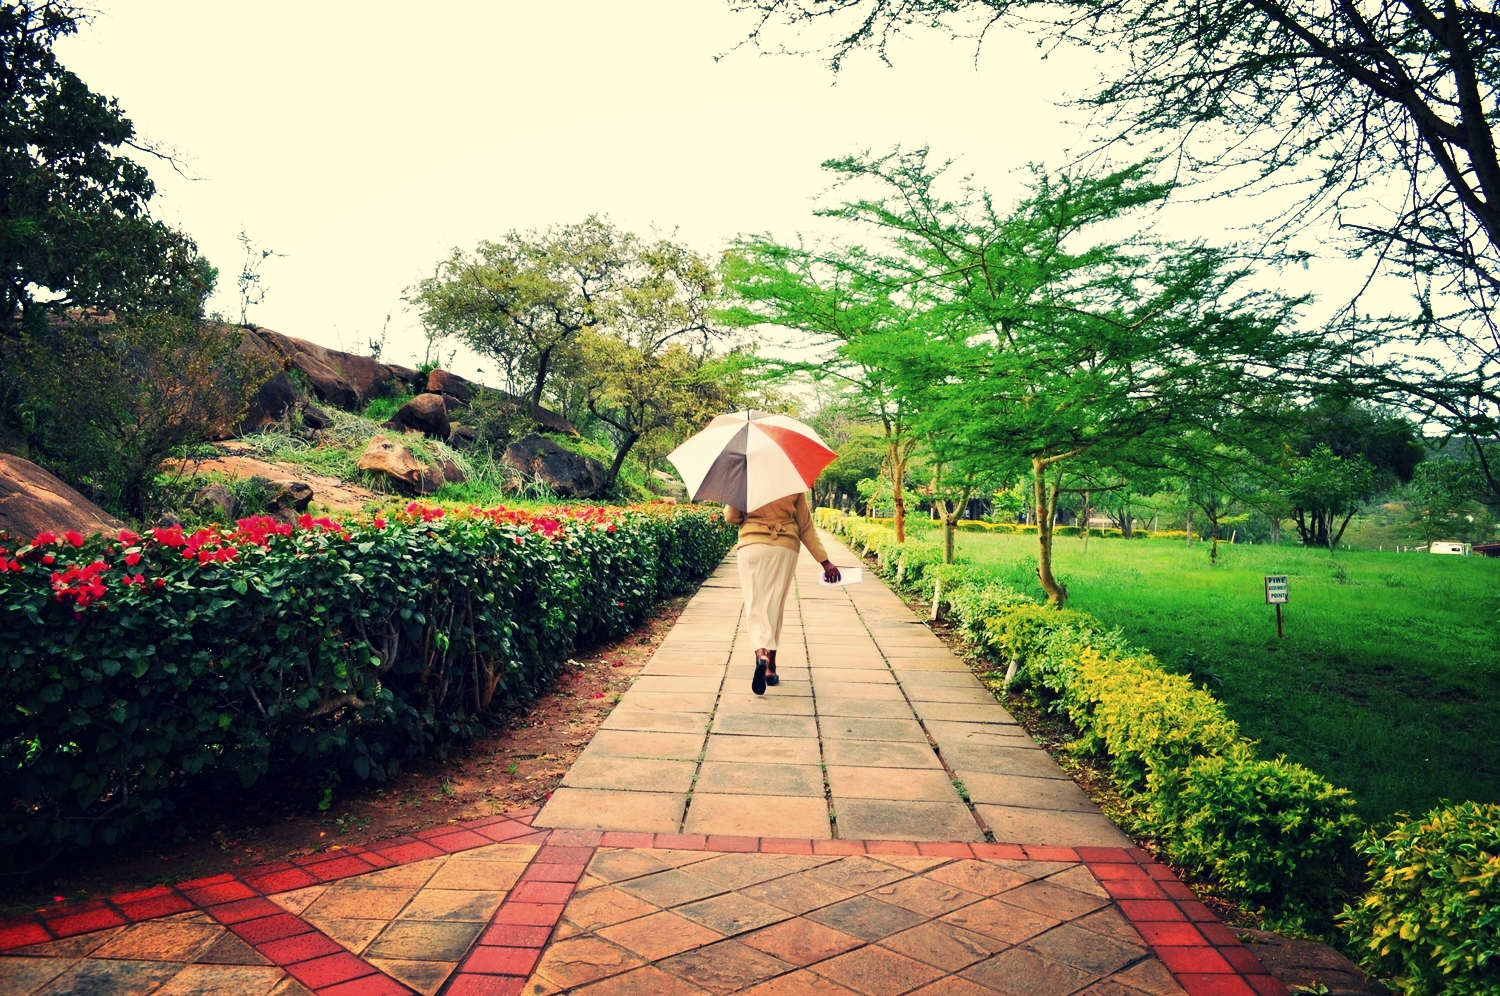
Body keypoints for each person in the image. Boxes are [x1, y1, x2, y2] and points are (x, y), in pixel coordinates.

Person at [724, 492, 841, 695]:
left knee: (755, 605)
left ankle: (761, 655)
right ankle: (770, 669)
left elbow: (731, 517)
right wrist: (825, 561)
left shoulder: (746, 479)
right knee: (774, 606)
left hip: (752, 547)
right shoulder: (792, 481)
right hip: (784, 548)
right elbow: (805, 526)